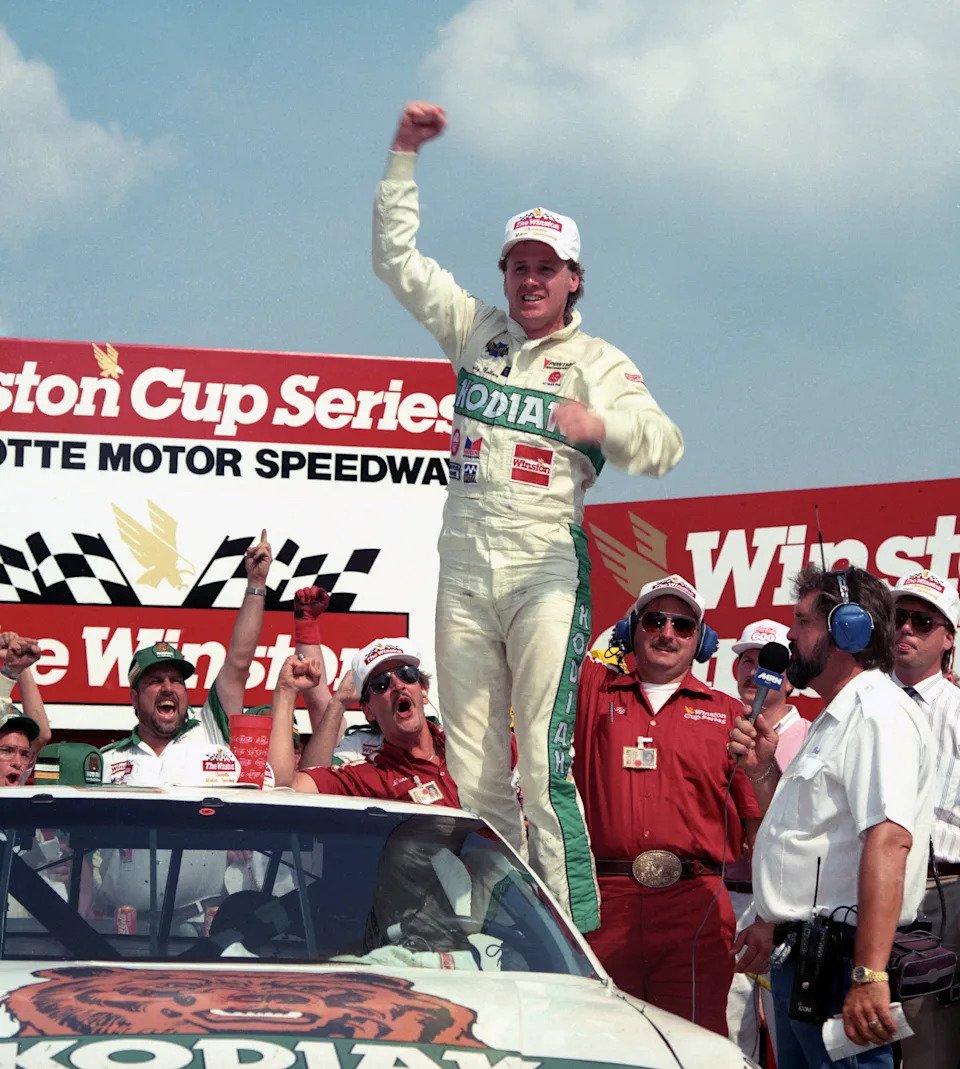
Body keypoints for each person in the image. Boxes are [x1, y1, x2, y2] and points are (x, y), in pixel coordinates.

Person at [373, 101, 684, 932]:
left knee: (543, 765)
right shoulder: (476, 329)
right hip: (464, 564)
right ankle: (496, 929)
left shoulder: (598, 361)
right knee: (474, 771)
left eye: (548, 267)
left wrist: (600, 424)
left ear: (575, 277)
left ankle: (576, 934)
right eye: (519, 266)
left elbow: (665, 443)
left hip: (545, 562)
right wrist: (403, 155)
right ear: (505, 273)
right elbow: (395, 261)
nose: (531, 280)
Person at [730, 565, 935, 1069]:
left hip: (841, 965)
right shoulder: (836, 716)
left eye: (801, 622)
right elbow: (806, 833)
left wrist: (869, 974)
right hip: (803, 958)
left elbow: (889, 841)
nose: (790, 636)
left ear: (848, 631)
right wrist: (761, 772)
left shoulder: (877, 715)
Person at [573, 574, 761, 1034]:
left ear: (702, 641)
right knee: (608, 1047)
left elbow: (760, 825)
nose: (667, 633)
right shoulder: (593, 693)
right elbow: (557, 629)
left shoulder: (729, 714)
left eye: (683, 625)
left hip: (694, 909)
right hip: (604, 905)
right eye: (655, 621)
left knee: (695, 1046)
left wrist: (770, 916)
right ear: (630, 630)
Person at [101, 529, 273, 784]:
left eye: (177, 680)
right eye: (156, 681)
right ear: (134, 698)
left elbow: (239, 663)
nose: (168, 688)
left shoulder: (211, 728)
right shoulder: (108, 760)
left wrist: (256, 584)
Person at [724, 619, 809, 1059]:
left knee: (790, 1040)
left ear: (789, 679)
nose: (753, 672)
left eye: (766, 663)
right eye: (746, 661)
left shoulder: (811, 736)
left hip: (787, 911)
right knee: (732, 1040)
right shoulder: (723, 729)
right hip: (728, 901)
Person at [887, 570, 960, 1069]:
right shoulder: (862, 702)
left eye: (922, 620)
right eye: (898, 617)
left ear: (948, 638)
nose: (906, 628)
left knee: (928, 1048)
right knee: (858, 1042)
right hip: (862, 892)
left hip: (942, 892)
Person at [268, 639, 458, 805]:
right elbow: (284, 787)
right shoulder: (368, 778)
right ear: (368, 711)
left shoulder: (462, 744)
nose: (398, 685)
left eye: (406, 674)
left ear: (423, 690)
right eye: (381, 683)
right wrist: (285, 691)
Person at [0, 632, 51, 771]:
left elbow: (41, 736)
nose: (17, 762)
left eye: (24, 753)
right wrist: (10, 672)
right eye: (7, 750)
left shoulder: (19, 766)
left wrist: (17, 666)